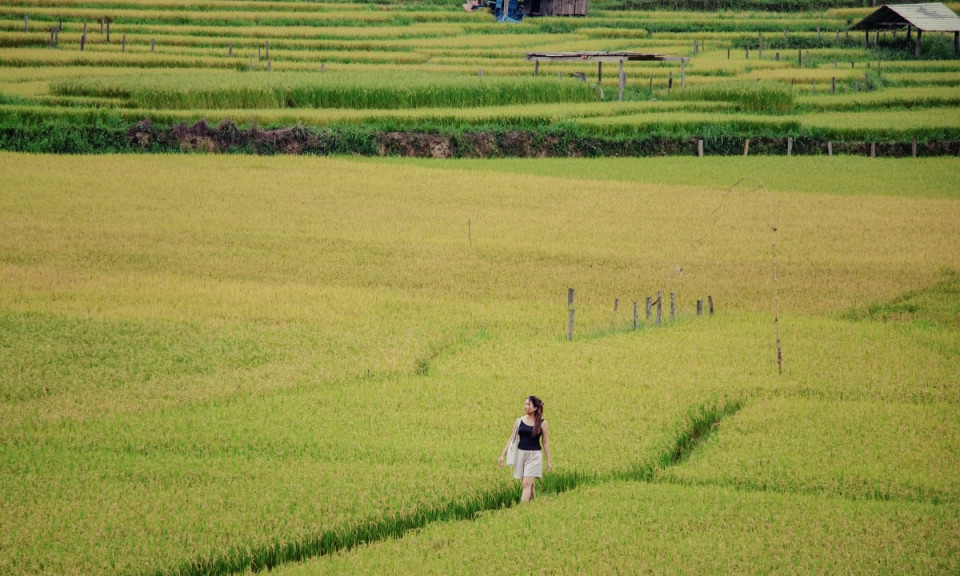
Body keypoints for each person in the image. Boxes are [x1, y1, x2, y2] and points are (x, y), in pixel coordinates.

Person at [498, 395, 551, 502]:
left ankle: (521, 510)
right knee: (530, 485)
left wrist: (548, 461)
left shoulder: (542, 423)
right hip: (520, 454)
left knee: (526, 484)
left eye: (528, 404)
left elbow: (545, 442)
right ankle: (534, 507)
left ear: (535, 408)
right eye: (525, 404)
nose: (525, 406)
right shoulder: (519, 421)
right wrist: (503, 455)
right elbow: (512, 439)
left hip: (534, 456)